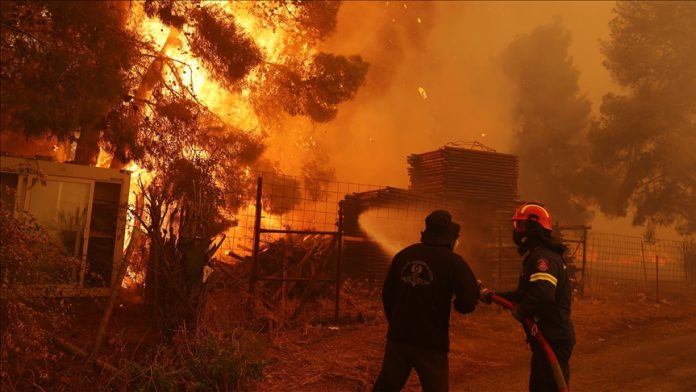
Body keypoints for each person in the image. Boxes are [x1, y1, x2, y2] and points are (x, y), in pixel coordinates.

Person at [373, 210, 479, 392]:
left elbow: (387, 294)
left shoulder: (403, 255)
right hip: (432, 344)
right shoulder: (454, 262)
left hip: (399, 339)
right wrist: (458, 305)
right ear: (449, 239)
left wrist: (396, 321)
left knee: (387, 387)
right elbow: (468, 301)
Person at [479, 202, 575, 392]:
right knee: (539, 387)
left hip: (552, 337)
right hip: (546, 336)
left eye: (520, 226)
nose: (516, 231)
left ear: (534, 228)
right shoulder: (538, 256)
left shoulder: (543, 259)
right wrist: (494, 296)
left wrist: (521, 311)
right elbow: (524, 295)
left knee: (548, 387)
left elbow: (542, 295)